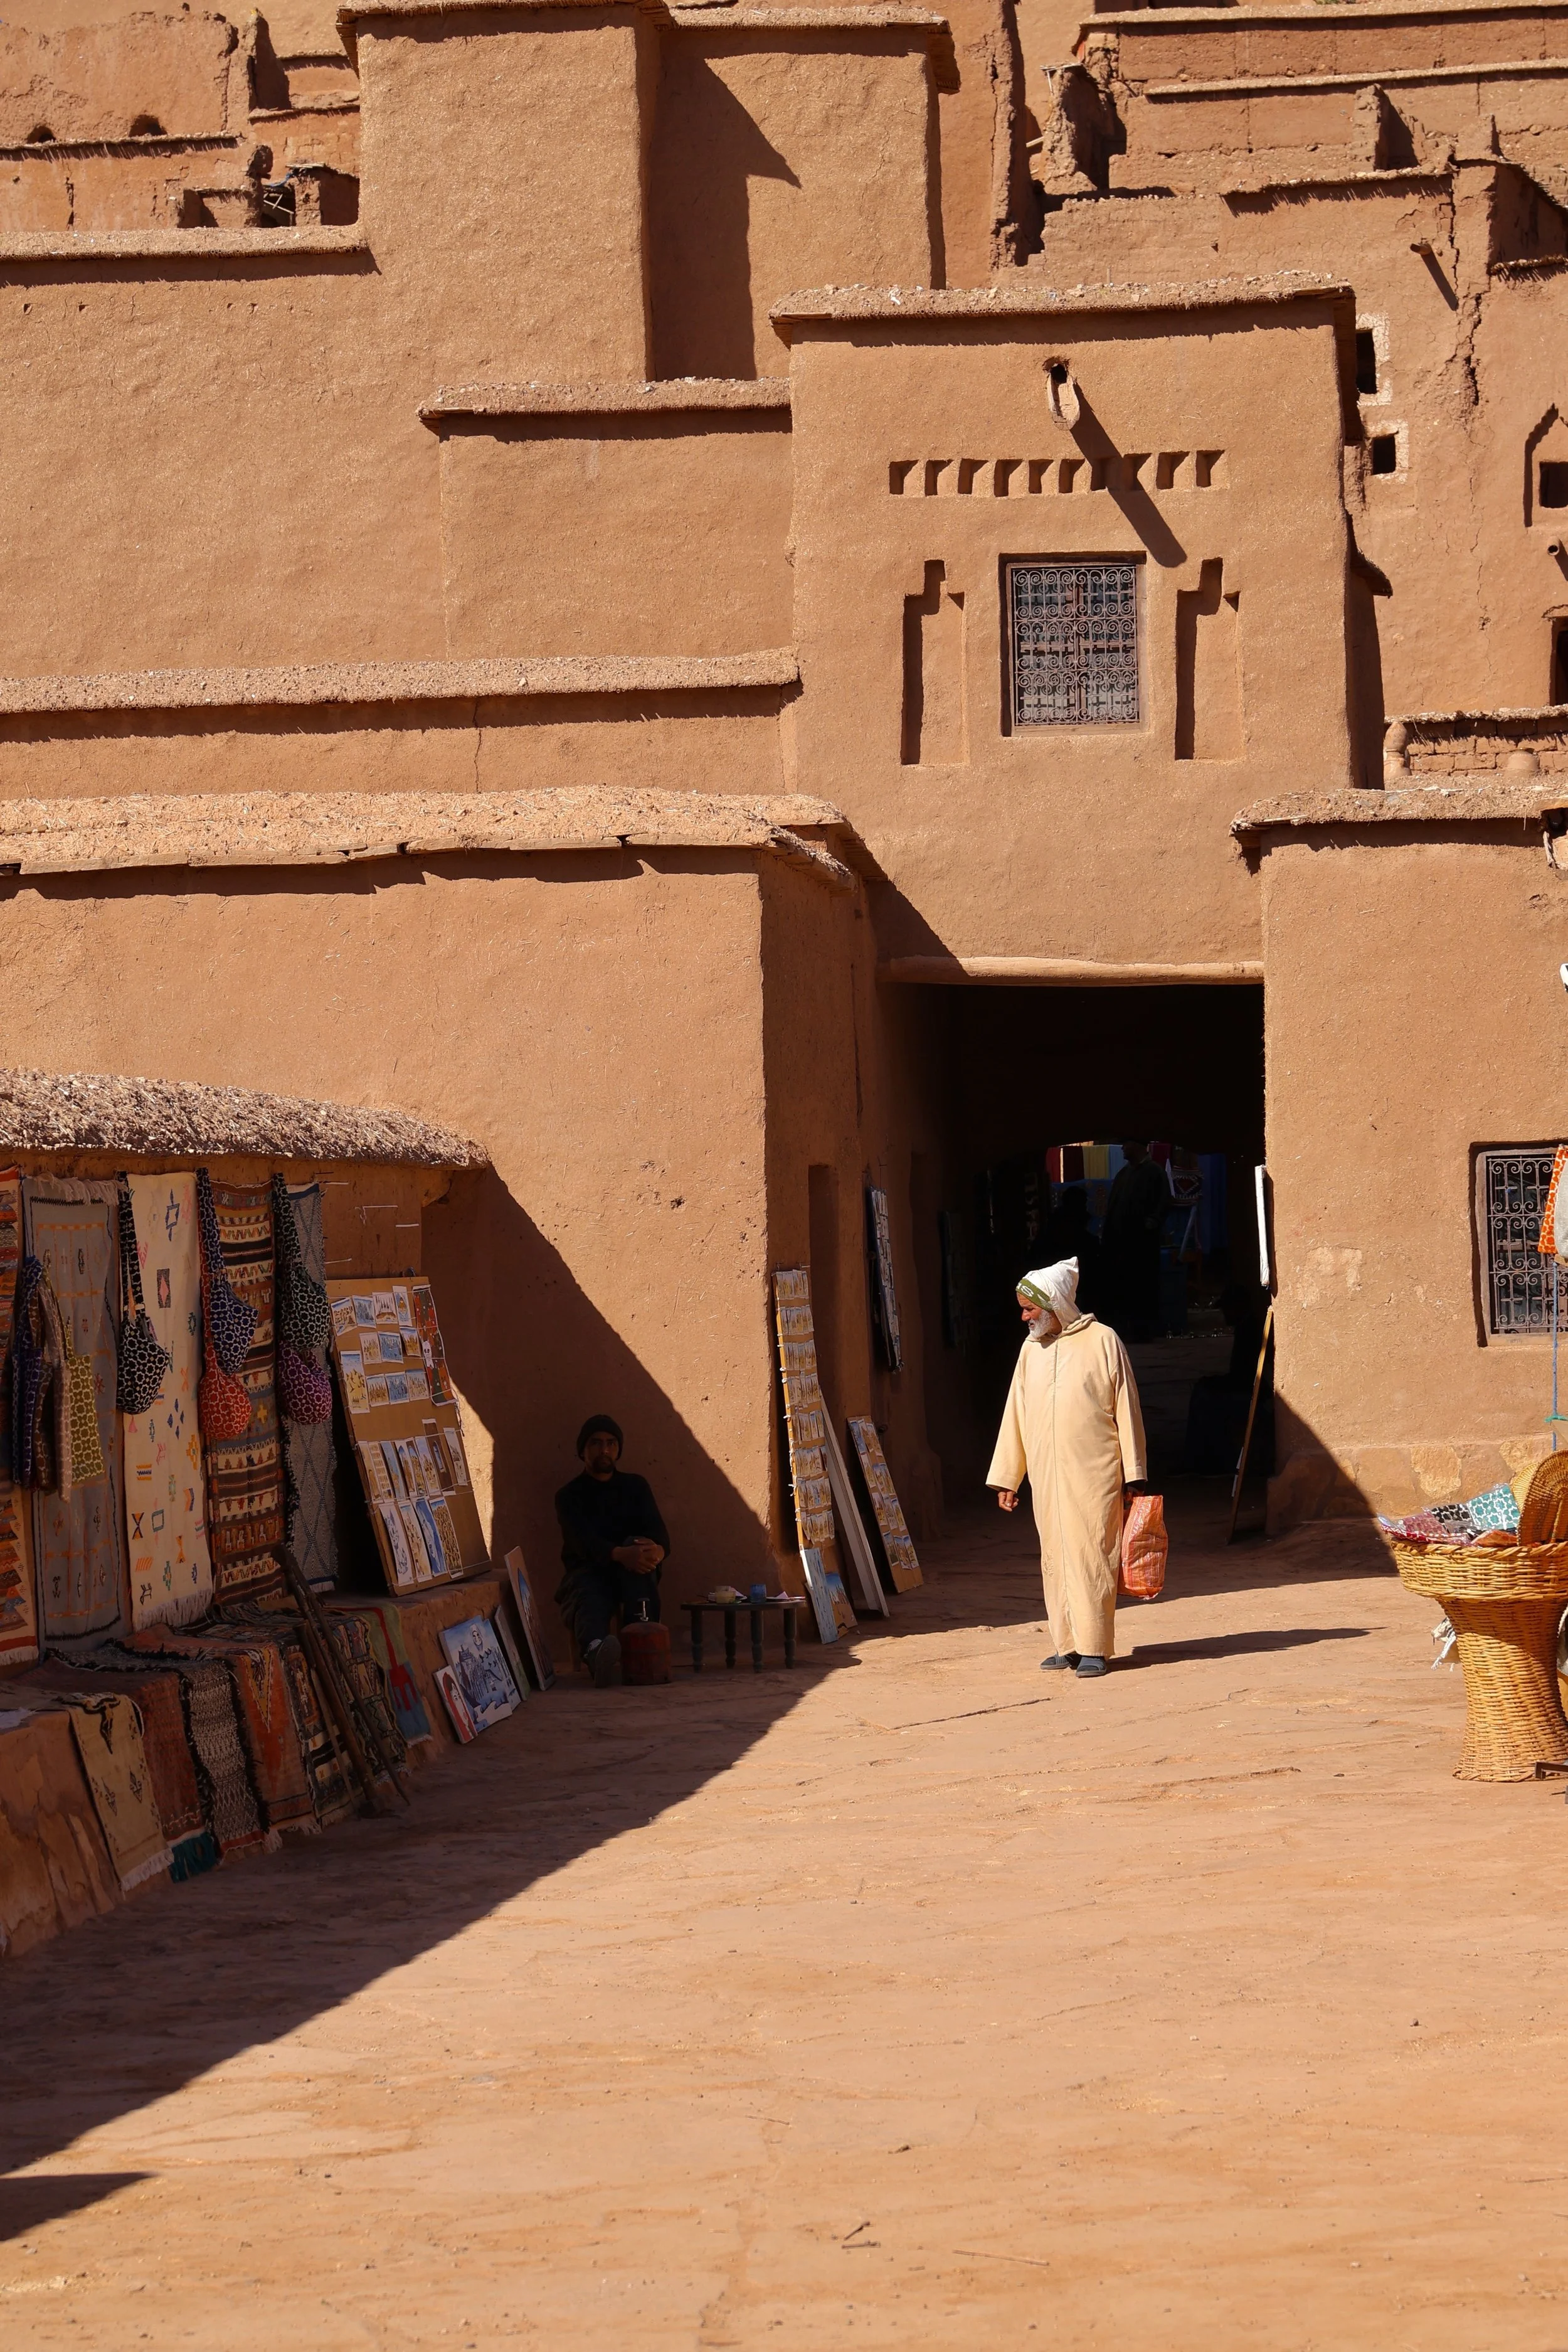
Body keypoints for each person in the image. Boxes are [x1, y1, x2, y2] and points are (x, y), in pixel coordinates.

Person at [986, 1258, 1148, 1679]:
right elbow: (1015, 1414)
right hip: (1045, 1474)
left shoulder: (1102, 1341)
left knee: (1092, 1553)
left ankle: (1094, 1646)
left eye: (1029, 1309)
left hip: (1095, 1474)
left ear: (1054, 1303)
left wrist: (1134, 1474)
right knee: (1055, 1555)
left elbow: (1126, 1409)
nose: (1024, 1317)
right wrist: (1009, 1476)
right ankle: (1067, 1644)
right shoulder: (1030, 1351)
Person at [554, 1415, 671, 1689]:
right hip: (589, 1570)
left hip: (635, 1571)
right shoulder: (569, 1495)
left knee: (639, 1555)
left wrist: (656, 1552)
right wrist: (620, 1554)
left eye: (610, 1443)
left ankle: (640, 1652)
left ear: (618, 1449)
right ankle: (596, 1652)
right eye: (595, 1444)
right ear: (583, 1451)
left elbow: (659, 1533)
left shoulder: (636, 1486)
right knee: (590, 1594)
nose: (604, 1450)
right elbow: (581, 1542)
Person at [1101, 1139, 1170, 1341]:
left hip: (1142, 1245)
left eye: (1127, 1144)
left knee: (1143, 1287)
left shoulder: (1155, 1172)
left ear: (1139, 1146)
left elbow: (1163, 1203)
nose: (1122, 1148)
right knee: (1123, 1287)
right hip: (1119, 1244)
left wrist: (1151, 1223)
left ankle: (1144, 1331)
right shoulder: (1124, 1174)